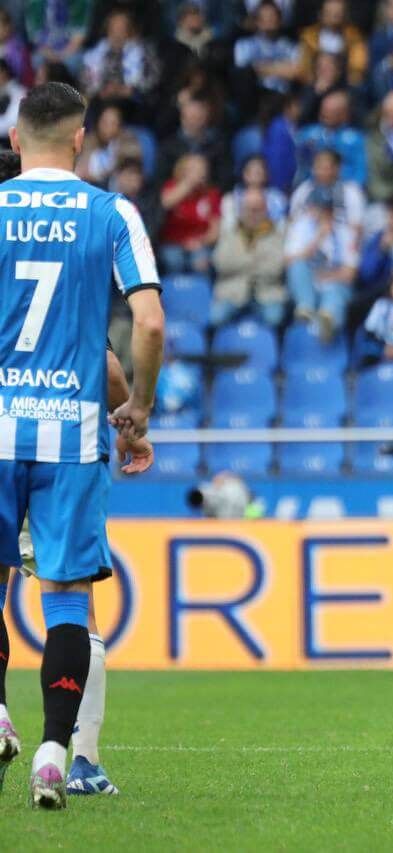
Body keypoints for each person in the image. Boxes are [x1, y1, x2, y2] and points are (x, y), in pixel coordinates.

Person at [0, 82, 164, 808]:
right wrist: (139, 408)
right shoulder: (111, 213)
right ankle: (53, 752)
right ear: (80, 139)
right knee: (65, 600)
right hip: (70, 436)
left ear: (13, 139)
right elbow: (148, 324)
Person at [285, 188, 358, 341]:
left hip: (333, 282)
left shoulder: (345, 232)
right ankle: (305, 308)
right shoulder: (301, 228)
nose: (324, 213)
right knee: (298, 267)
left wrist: (329, 276)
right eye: (319, 208)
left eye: (327, 209)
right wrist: (318, 238)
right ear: (311, 208)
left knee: (335, 293)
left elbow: (350, 273)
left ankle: (328, 320)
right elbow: (289, 260)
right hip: (307, 283)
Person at [211, 187, 287, 328]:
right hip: (232, 291)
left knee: (274, 318)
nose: (253, 214)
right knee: (216, 317)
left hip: (267, 292)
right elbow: (221, 263)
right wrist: (256, 260)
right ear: (241, 210)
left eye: (257, 209)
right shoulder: (230, 233)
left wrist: (241, 261)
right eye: (249, 209)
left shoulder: (277, 234)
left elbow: (276, 268)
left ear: (265, 210)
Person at [158, 152, 221, 274]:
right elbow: (165, 204)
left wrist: (200, 242)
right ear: (182, 171)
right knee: (173, 261)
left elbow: (215, 232)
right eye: (194, 169)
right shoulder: (171, 187)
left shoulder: (211, 194)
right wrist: (188, 184)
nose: (200, 173)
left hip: (200, 244)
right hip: (172, 243)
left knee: (201, 262)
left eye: (202, 169)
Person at [298, 0, 367, 87]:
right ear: (321, 14)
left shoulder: (354, 37)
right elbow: (304, 68)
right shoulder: (309, 36)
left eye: (338, 13)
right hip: (314, 83)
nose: (334, 17)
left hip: (343, 85)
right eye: (329, 13)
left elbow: (357, 68)